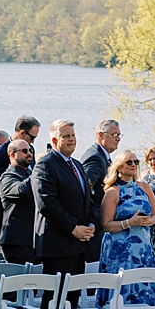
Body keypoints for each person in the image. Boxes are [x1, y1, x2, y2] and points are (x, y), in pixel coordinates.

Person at [97, 150, 155, 309]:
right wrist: (129, 222)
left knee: (143, 289)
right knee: (121, 291)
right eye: (128, 162)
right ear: (119, 167)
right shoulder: (113, 192)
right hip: (120, 250)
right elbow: (106, 224)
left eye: (135, 161)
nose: (133, 165)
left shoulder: (144, 187)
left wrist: (147, 221)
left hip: (142, 249)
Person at [34, 119, 97, 280]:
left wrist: (90, 225)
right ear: (54, 141)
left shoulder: (77, 165)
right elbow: (47, 204)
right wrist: (73, 228)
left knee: (72, 300)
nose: (72, 139)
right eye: (66, 136)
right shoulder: (45, 165)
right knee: (55, 299)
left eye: (73, 135)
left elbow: (86, 199)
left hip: (79, 244)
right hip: (58, 245)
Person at [0, 138, 38, 263]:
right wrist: (38, 172)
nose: (29, 154)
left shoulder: (30, 174)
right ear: (12, 155)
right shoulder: (7, 176)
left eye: (30, 150)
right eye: (24, 151)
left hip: (33, 240)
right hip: (16, 242)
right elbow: (21, 191)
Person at [0, 114, 39, 211]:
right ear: (22, 133)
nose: (33, 142)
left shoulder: (31, 149)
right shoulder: (0, 153)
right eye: (32, 138)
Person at [78, 118, 120, 211]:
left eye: (119, 135)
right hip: (97, 215)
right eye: (114, 135)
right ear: (101, 135)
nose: (118, 139)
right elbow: (85, 188)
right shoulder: (95, 157)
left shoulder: (103, 156)